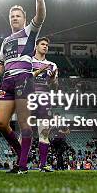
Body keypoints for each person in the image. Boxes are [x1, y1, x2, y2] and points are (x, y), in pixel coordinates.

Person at [0, 0, 46, 174]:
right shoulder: (6, 41)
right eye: (12, 15)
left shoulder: (30, 32)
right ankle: (23, 154)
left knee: (24, 123)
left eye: (18, 15)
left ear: (23, 18)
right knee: (1, 123)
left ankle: (21, 165)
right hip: (7, 81)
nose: (14, 18)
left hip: (24, 79)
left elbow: (40, 17)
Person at [31, 36, 58, 172]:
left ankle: (43, 164)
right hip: (29, 98)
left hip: (45, 99)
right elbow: (26, 79)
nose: (45, 46)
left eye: (47, 45)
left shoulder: (52, 65)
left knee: (44, 132)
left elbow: (55, 87)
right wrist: (41, 70)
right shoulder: (28, 61)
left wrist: (53, 79)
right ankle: (20, 162)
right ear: (36, 46)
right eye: (42, 44)